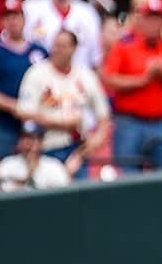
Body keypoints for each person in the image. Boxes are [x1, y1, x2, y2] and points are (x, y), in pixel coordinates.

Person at [101, 0, 162, 173]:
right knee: (128, 178)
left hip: (161, 122)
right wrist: (143, 80)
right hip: (129, 121)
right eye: (149, 17)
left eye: (157, 18)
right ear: (140, 19)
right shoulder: (124, 47)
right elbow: (109, 80)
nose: (153, 23)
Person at [17, 27, 111, 178]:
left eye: (62, 46)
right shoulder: (37, 73)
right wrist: (62, 123)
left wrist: (88, 148)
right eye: (55, 45)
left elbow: (104, 117)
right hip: (46, 147)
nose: (56, 50)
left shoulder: (85, 75)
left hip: (78, 149)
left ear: (73, 49)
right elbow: (24, 113)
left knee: (81, 197)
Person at [23, 0, 103, 69]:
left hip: (77, 78)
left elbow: (96, 57)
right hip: (41, 77)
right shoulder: (30, 7)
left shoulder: (88, 13)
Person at [0, 0, 48, 160]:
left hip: (38, 124)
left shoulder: (38, 50)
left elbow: (51, 81)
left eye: (17, 16)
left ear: (24, 19)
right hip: (5, 123)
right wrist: (14, 107)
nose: (13, 21)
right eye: (8, 17)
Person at [0, 119, 70, 191]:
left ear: (41, 142)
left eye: (32, 139)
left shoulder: (54, 166)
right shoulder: (7, 164)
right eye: (24, 138)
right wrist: (28, 174)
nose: (28, 144)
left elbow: (64, 195)